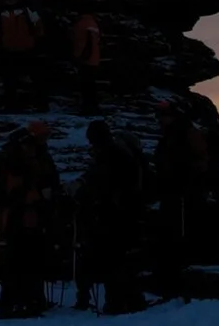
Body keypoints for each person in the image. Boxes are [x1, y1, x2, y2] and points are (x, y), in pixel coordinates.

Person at [76, 120, 148, 314]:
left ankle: (117, 302)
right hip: (125, 212)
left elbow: (101, 182)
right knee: (122, 259)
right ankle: (132, 300)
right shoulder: (120, 152)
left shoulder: (109, 154)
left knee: (113, 259)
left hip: (113, 214)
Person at [0, 122, 60, 316]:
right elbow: (6, 187)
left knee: (30, 256)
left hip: (32, 213)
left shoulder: (36, 154)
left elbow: (51, 179)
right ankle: (15, 300)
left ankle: (29, 299)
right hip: (18, 214)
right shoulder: (15, 156)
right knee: (18, 257)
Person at [153, 104, 208, 283]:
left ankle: (180, 266)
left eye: (163, 116)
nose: (160, 120)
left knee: (179, 225)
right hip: (173, 187)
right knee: (172, 225)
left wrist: (187, 178)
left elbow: (197, 161)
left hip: (182, 188)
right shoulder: (173, 134)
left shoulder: (182, 134)